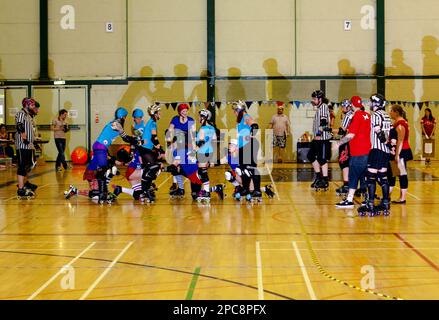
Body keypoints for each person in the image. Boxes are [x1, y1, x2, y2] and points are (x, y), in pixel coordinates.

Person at [82, 107, 137, 203]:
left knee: (101, 168)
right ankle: (103, 194)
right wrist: (136, 140)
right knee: (104, 170)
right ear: (123, 117)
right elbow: (125, 138)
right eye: (125, 117)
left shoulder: (114, 123)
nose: (125, 119)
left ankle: (99, 190)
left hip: (100, 147)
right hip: (101, 147)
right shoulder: (117, 124)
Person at [358, 93, 392, 216]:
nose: (370, 104)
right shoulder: (386, 115)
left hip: (376, 149)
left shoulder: (376, 115)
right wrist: (390, 146)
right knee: (383, 177)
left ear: (376, 103)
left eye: (372, 102)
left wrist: (383, 142)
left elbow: (379, 133)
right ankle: (385, 202)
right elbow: (391, 133)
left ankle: (370, 203)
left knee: (370, 177)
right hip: (385, 151)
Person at [333, 96, 371, 209]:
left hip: (357, 151)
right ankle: (366, 199)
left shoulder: (356, 116)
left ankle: (349, 200)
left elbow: (351, 134)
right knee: (364, 176)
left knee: (353, 175)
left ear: (352, 105)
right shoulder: (368, 115)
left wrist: (338, 144)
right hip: (367, 150)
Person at [232, 100, 262, 202]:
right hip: (243, 147)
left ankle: (257, 190)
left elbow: (254, 125)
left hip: (249, 145)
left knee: (251, 168)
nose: (234, 113)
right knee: (243, 169)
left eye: (235, 111)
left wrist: (250, 135)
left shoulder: (246, 116)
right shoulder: (240, 120)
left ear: (239, 110)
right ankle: (245, 188)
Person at [165, 103, 196, 198]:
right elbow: (170, 130)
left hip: (188, 146)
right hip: (177, 146)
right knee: (176, 167)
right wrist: (170, 139)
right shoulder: (175, 119)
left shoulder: (191, 120)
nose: (185, 113)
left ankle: (195, 186)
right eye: (183, 111)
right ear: (179, 112)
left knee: (187, 168)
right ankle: (181, 189)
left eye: (186, 111)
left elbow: (193, 135)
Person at [138, 104, 164, 203]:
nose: (160, 114)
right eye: (159, 112)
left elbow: (150, 138)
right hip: (145, 149)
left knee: (148, 170)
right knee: (152, 168)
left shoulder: (151, 122)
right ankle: (145, 190)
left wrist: (157, 147)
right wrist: (158, 147)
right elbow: (154, 137)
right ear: (155, 113)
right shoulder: (153, 123)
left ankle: (145, 191)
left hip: (146, 149)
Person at [15, 97, 40, 199]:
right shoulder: (21, 113)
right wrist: (24, 139)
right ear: (26, 105)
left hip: (28, 144)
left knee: (28, 165)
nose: (33, 107)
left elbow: (30, 130)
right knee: (22, 166)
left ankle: (24, 183)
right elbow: (20, 126)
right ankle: (21, 189)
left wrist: (33, 142)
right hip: (22, 144)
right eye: (32, 105)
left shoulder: (28, 116)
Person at [307, 90, 332, 190]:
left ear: (320, 99)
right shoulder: (319, 107)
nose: (313, 100)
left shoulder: (323, 107)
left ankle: (325, 180)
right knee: (310, 155)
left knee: (322, 158)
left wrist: (318, 134)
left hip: (322, 138)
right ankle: (318, 176)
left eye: (314, 99)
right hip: (318, 138)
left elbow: (323, 122)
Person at [389, 105, 413, 204]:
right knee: (393, 174)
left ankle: (402, 198)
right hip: (397, 151)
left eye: (391, 111)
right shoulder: (397, 123)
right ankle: (387, 196)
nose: (390, 113)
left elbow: (401, 140)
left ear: (396, 112)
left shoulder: (401, 124)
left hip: (401, 152)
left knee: (402, 174)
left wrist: (397, 155)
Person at [335, 99, 354, 195]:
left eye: (343, 106)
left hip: (347, 142)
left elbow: (342, 131)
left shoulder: (348, 115)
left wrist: (329, 129)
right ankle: (354, 185)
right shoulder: (353, 114)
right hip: (353, 142)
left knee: (344, 162)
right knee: (350, 163)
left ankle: (347, 185)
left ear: (348, 106)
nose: (342, 108)